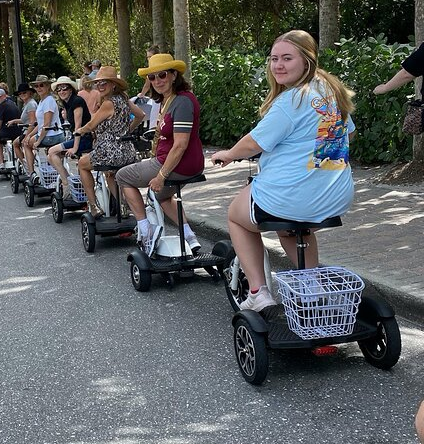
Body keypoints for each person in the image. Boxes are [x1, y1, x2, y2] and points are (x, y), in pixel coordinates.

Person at [210, 30, 356, 311]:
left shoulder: (292, 100)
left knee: (236, 217)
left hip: (291, 196)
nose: (278, 65)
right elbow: (346, 137)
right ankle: (311, 287)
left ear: (307, 61)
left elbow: (254, 142)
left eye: (287, 58)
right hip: (335, 196)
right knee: (294, 229)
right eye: (274, 58)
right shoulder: (330, 93)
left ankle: (258, 292)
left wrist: (228, 155)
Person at [116, 54, 204, 257]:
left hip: (177, 163)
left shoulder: (182, 101)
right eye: (152, 78)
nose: (157, 81)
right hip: (179, 161)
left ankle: (146, 230)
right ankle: (190, 238)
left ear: (174, 75)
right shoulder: (169, 100)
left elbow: (180, 145)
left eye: (162, 75)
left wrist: (161, 176)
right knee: (161, 196)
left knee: (122, 176)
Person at [75, 66, 145, 217]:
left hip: (109, 151)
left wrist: (80, 131)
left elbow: (91, 125)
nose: (100, 86)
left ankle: (93, 206)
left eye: (104, 83)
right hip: (127, 151)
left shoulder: (108, 104)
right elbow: (141, 115)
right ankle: (122, 205)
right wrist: (127, 130)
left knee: (82, 164)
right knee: (110, 174)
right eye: (98, 83)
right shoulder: (125, 100)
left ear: (113, 84)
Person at [47, 76, 93, 199]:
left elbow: (78, 127)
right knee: (52, 155)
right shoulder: (67, 104)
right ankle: (70, 181)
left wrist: (74, 148)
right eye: (59, 89)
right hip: (79, 138)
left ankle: (67, 183)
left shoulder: (77, 101)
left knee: (52, 152)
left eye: (65, 88)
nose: (62, 91)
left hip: (85, 138)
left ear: (71, 89)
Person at [22, 75, 65, 177]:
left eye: (41, 85)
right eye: (36, 86)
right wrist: (29, 135)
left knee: (26, 145)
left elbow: (46, 124)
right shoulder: (42, 101)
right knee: (27, 140)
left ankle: (32, 173)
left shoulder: (49, 101)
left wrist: (38, 141)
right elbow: (40, 125)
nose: (39, 88)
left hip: (52, 135)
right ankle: (49, 172)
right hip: (49, 133)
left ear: (48, 87)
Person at [10, 83, 38, 172]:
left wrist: (28, 136)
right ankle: (26, 163)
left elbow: (32, 122)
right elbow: (25, 119)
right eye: (20, 93)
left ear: (30, 93)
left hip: (30, 130)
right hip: (27, 129)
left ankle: (28, 166)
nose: (22, 95)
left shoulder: (31, 104)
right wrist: (14, 121)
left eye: (24, 92)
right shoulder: (27, 104)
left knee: (15, 143)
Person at [0, 87, 21, 169]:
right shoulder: (12, 103)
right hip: (18, 129)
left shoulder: (2, 106)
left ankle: (1, 163)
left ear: (4, 96)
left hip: (9, 130)